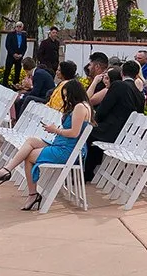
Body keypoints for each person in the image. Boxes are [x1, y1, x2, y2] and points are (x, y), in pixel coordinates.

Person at [18, 76, 93, 210]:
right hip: (64, 145)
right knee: (30, 141)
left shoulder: (80, 108)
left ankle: (32, 194)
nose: (66, 99)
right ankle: (7, 170)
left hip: (68, 150)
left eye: (66, 96)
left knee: (29, 156)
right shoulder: (82, 105)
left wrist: (56, 130)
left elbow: (74, 133)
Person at [84, 50, 144, 183]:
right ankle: (89, 170)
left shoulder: (118, 85)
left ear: (122, 73)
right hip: (128, 133)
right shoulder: (139, 93)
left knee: (85, 131)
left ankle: (85, 170)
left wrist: (94, 120)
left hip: (113, 131)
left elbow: (103, 110)